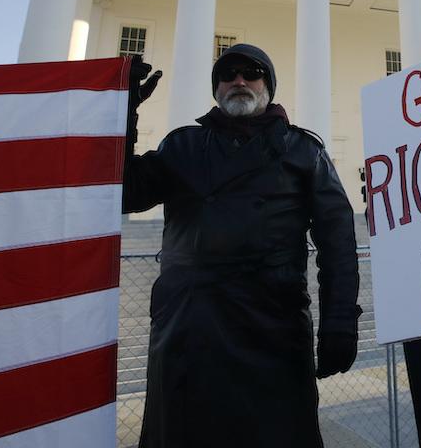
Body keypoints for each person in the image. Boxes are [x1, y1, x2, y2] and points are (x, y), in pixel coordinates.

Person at [123, 44, 362, 448]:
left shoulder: (303, 151)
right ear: (216, 88)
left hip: (270, 333)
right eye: (228, 73)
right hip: (188, 332)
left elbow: (337, 240)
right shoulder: (181, 147)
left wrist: (340, 321)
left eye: (251, 72)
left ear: (267, 85)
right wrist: (122, 111)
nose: (239, 81)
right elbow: (124, 192)